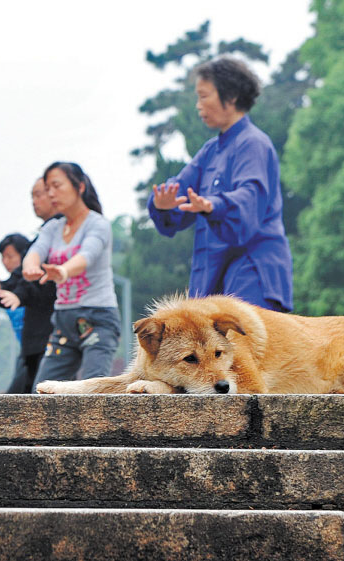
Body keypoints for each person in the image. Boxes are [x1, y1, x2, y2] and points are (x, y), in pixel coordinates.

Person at [147, 57, 293, 312]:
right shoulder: (210, 151)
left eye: (204, 96)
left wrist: (213, 205)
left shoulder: (254, 143)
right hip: (213, 275)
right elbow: (180, 188)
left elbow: (249, 198)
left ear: (232, 96)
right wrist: (163, 204)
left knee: (244, 349)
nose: (198, 105)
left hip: (253, 271)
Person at [23, 162, 120, 391]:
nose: (51, 194)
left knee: (93, 389)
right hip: (64, 321)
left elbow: (88, 255)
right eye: (47, 189)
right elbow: (34, 252)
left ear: (80, 186)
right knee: (42, 389)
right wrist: (31, 268)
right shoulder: (53, 228)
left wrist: (64, 271)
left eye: (56, 186)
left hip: (97, 318)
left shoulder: (98, 224)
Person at [0, 179, 60, 393]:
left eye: (40, 194)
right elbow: (18, 281)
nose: (35, 201)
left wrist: (18, 294)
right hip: (34, 341)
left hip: (57, 333)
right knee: (20, 399)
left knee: (36, 397)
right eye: (32, 196)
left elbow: (30, 286)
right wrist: (0, 291)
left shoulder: (69, 236)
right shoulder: (39, 241)